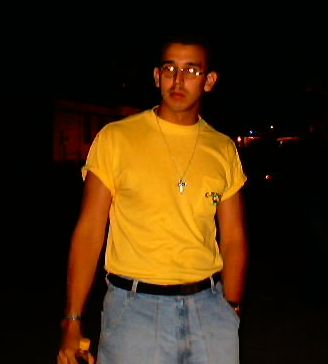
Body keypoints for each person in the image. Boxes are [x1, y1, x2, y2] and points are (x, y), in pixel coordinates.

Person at [58, 37, 248, 364]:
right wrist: (72, 320)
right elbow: (89, 230)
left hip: (209, 307)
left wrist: (231, 307)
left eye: (191, 71)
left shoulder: (222, 148)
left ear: (209, 81)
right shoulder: (117, 138)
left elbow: (233, 236)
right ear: (157, 76)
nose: (178, 80)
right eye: (170, 69)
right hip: (134, 310)